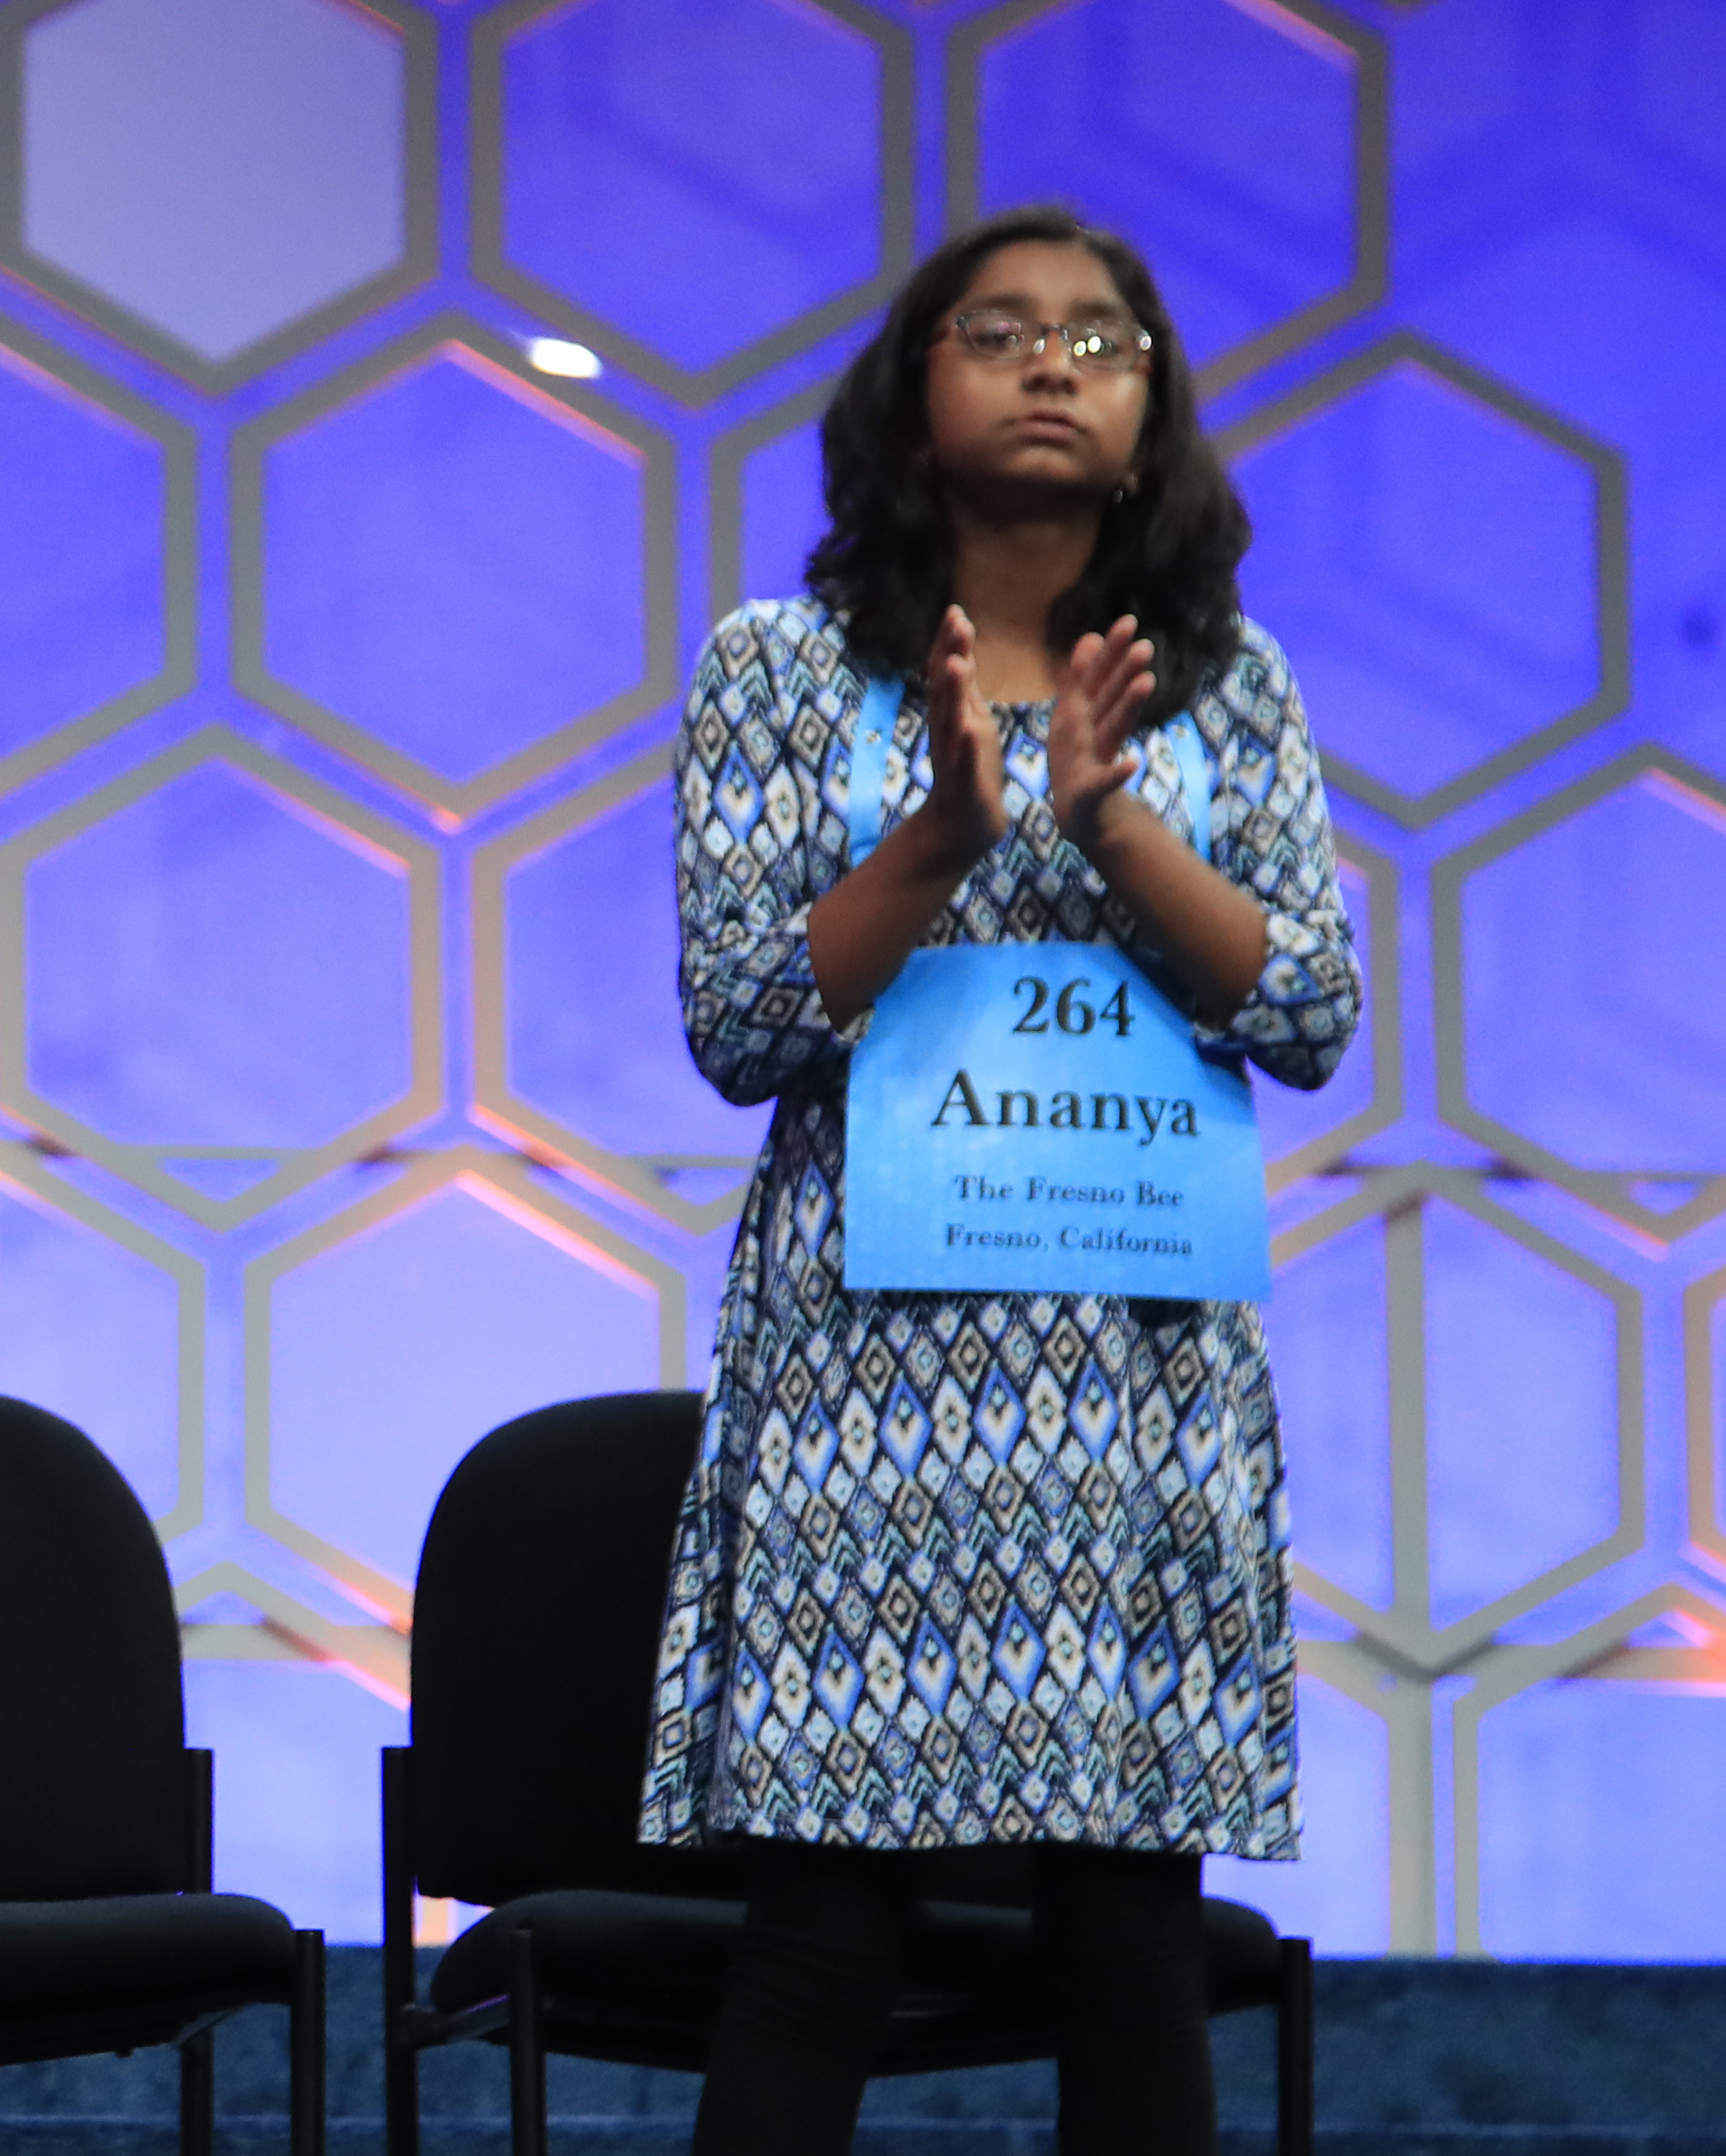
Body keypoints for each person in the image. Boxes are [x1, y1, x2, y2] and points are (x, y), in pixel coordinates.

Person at [643, 205, 1361, 2152]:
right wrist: (942, 832)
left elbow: (1303, 1006)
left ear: (1145, 425)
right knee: (819, 1921)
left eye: (1100, 341)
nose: (1052, 362)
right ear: (909, 396)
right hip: (868, 1372)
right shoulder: (778, 672)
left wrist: (1104, 823)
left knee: (1123, 1921)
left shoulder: (1222, 683)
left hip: (1133, 1373)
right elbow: (739, 1020)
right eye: (999, 329)